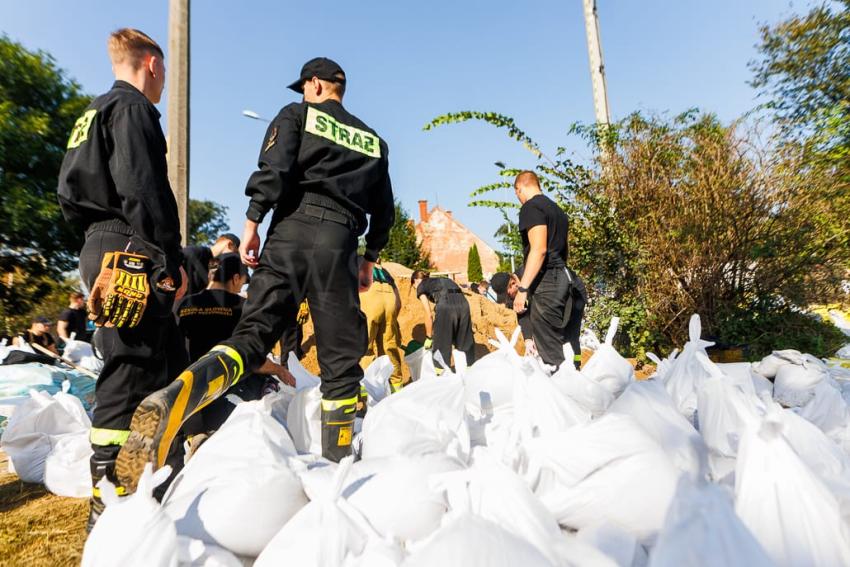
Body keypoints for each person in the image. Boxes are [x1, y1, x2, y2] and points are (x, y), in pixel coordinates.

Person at [115, 56, 395, 490]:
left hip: (291, 231)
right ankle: (337, 477)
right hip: (340, 242)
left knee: (250, 337)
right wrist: (369, 258)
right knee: (341, 365)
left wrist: (251, 223)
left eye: (304, 86)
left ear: (317, 85)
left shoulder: (296, 116)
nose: (303, 93)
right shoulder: (374, 141)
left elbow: (275, 170)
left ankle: (179, 397)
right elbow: (385, 212)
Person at [56, 28, 187, 529]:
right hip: (131, 247)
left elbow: (69, 194)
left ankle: (163, 477)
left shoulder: (91, 112)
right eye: (162, 73)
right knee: (130, 366)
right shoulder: (132, 109)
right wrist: (166, 255)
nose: (161, 84)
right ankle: (106, 498)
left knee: (167, 361)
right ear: (153, 64)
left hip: (101, 242)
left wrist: (98, 241)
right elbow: (143, 186)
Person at [177, 253, 294, 443]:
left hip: (187, 400)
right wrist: (278, 369)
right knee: (267, 382)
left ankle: (195, 436)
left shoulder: (182, 305)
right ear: (236, 278)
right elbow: (251, 358)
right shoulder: (242, 308)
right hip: (226, 399)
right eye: (242, 283)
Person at [509, 171, 575, 368]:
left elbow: (538, 250)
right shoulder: (557, 210)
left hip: (547, 281)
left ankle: (562, 393)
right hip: (562, 277)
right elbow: (564, 249)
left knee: (550, 352)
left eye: (517, 194)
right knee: (558, 342)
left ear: (519, 188)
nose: (519, 199)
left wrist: (522, 290)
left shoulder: (531, 207)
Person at [491, 266, 587, 369]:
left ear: (513, 283)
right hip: (550, 300)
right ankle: (558, 368)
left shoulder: (532, 274)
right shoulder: (514, 295)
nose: (508, 298)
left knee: (571, 335)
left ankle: (576, 365)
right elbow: (522, 314)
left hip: (573, 293)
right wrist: (528, 340)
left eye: (508, 294)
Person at [411, 271, 476, 367]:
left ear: (415, 280)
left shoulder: (421, 285)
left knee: (441, 347)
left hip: (446, 307)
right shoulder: (444, 280)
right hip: (464, 305)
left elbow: (428, 314)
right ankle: (471, 370)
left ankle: (441, 375)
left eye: (413, 286)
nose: (415, 289)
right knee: (465, 342)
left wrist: (429, 337)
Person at [359, 259, 405, 392]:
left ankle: (366, 394)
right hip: (390, 302)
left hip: (371, 300)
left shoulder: (359, 264)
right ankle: (397, 389)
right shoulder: (385, 272)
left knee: (366, 348)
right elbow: (399, 303)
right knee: (389, 347)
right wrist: (393, 320)